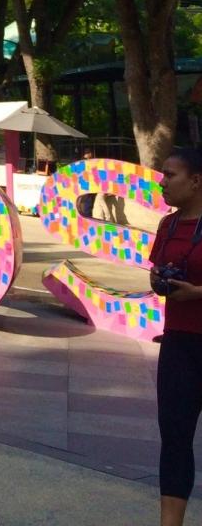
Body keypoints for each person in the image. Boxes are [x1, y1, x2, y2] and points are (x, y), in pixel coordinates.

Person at [150, 146, 202, 526]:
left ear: (196, 181)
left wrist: (197, 293)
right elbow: (157, 269)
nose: (162, 182)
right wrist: (160, 280)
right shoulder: (167, 225)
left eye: (170, 175)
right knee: (175, 437)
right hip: (178, 344)